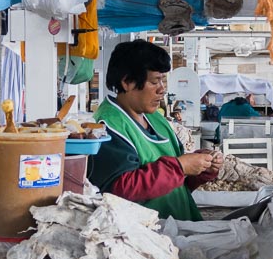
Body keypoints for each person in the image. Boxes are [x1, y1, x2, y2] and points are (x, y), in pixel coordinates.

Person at [87, 39, 223, 221]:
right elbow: (118, 191)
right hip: (144, 238)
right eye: (155, 82)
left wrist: (200, 168)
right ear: (127, 82)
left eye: (162, 81)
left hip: (180, 229)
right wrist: (180, 166)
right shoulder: (107, 126)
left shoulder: (156, 119)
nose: (162, 90)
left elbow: (176, 184)